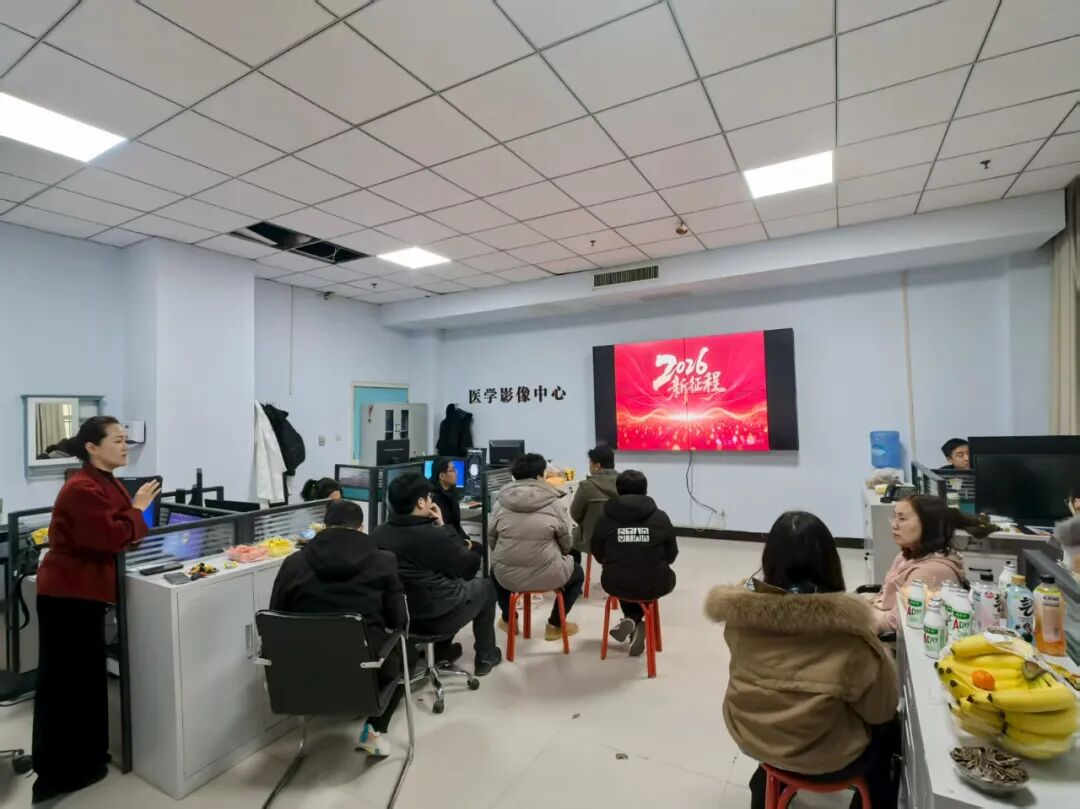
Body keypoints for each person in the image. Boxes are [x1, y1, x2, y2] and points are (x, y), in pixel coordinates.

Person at [705, 511, 900, 809]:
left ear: (769, 559)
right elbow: (880, 710)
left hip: (751, 735)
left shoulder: (740, 617)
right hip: (826, 758)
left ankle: (766, 782)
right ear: (829, 561)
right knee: (890, 733)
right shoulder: (851, 635)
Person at [32, 417, 161, 803]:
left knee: (86, 682)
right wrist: (138, 510)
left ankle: (88, 758)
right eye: (118, 440)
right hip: (67, 597)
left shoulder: (107, 481)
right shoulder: (82, 488)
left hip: (84, 594)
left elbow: (121, 532)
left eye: (126, 440)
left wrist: (131, 518)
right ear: (92, 447)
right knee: (66, 687)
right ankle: (60, 774)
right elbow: (110, 536)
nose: (125, 447)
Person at [270, 499, 404, 757]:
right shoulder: (383, 561)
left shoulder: (293, 563)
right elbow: (398, 620)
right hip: (366, 671)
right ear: (361, 527)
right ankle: (374, 730)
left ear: (324, 526)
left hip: (303, 675)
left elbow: (277, 615)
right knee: (402, 650)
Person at [372, 473, 502, 676]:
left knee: (438, 587)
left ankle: (442, 651)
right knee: (486, 587)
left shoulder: (378, 533)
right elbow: (468, 566)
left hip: (397, 617)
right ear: (421, 502)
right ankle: (486, 655)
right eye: (429, 497)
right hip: (438, 617)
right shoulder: (433, 535)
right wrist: (444, 525)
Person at [489, 453, 584, 641]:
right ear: (541, 475)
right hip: (549, 575)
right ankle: (555, 625)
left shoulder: (501, 502)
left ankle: (509, 619)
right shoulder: (554, 503)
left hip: (509, 577)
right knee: (578, 574)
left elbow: (492, 541)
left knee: (495, 571)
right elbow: (566, 544)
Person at [870, 495, 995, 634]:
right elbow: (883, 597)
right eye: (894, 517)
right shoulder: (906, 556)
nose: (894, 524)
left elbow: (893, 622)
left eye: (902, 518)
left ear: (928, 525)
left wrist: (858, 616)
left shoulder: (928, 572)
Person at [591, 470, 678, 656]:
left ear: (618, 490)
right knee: (647, 577)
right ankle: (636, 620)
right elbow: (672, 555)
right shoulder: (660, 517)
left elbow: (597, 552)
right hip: (656, 582)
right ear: (645, 491)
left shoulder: (604, 518)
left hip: (615, 581)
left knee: (626, 577)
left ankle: (632, 618)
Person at [569, 444, 619, 564]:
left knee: (571, 541)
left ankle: (578, 573)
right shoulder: (624, 482)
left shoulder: (587, 486)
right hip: (619, 537)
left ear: (597, 466)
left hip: (591, 540)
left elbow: (575, 514)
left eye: (590, 463)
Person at [429, 458, 475, 550]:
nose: (456, 472)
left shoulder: (451, 493)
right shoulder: (435, 498)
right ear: (442, 476)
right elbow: (445, 527)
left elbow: (455, 525)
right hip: (445, 543)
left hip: (454, 538)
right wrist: (463, 543)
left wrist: (466, 539)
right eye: (452, 470)